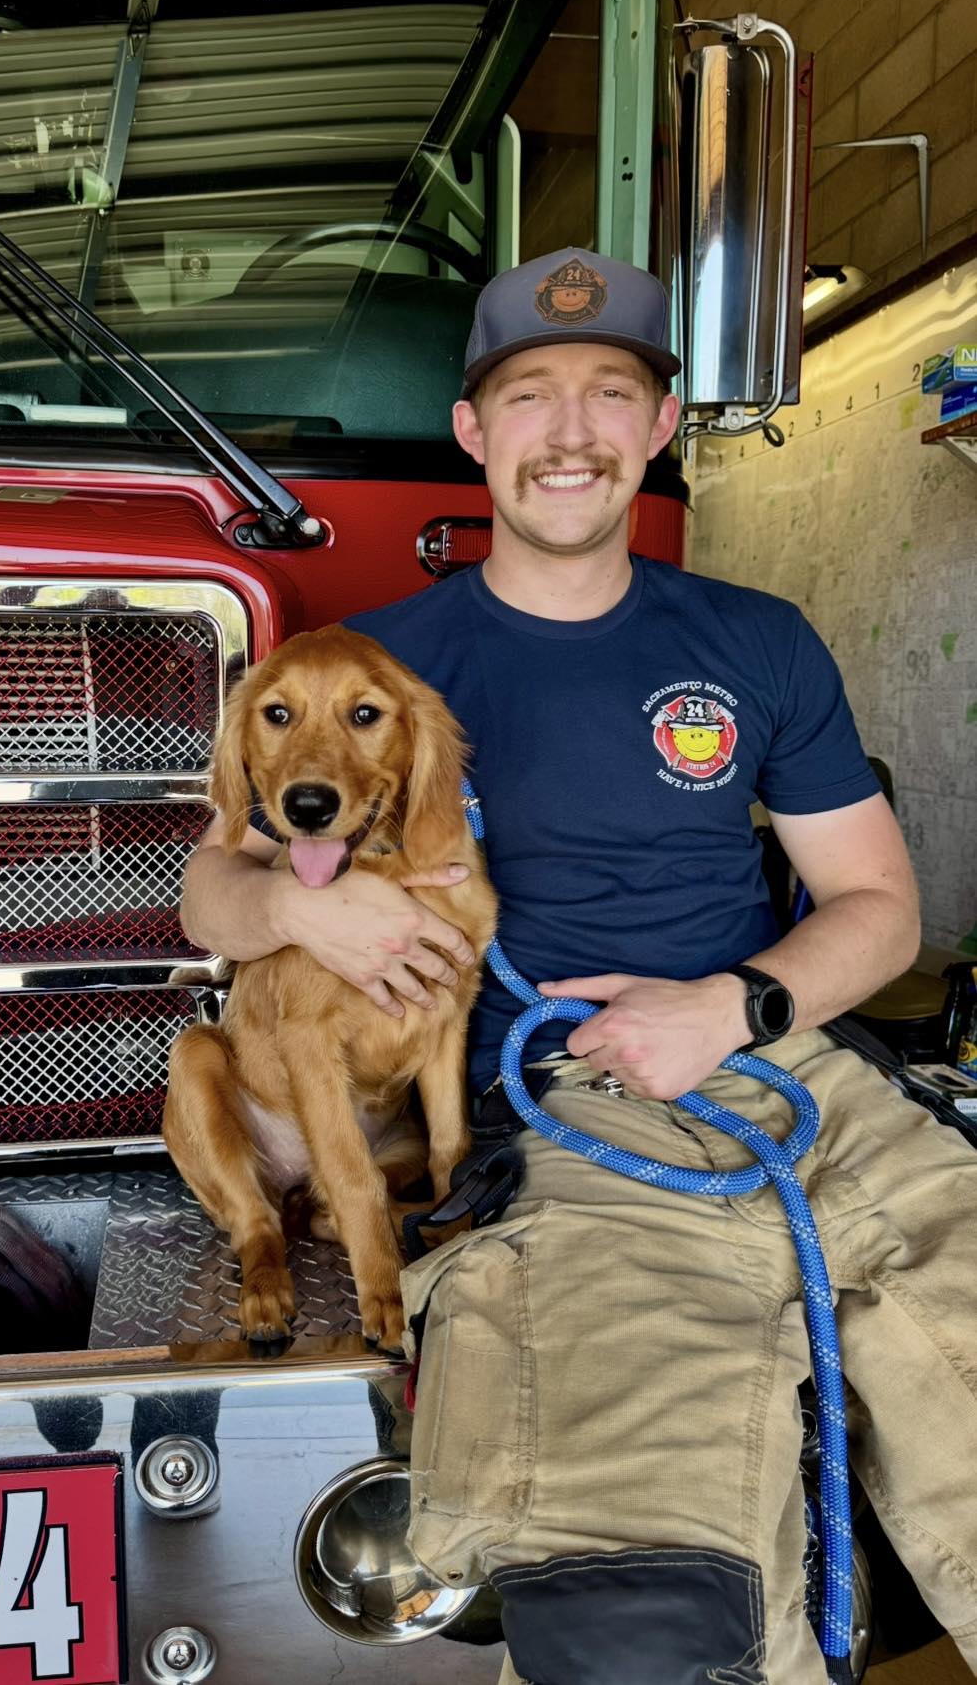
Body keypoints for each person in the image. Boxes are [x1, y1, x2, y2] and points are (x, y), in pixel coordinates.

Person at [178, 247, 977, 1684]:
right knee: (644, 1607)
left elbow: (875, 905)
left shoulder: (755, 639)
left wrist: (731, 1005)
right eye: (527, 395)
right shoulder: (372, 666)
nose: (569, 432)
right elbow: (208, 888)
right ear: (473, 433)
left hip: (791, 1076)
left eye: (610, 394)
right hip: (560, 1115)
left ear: (658, 429)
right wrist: (300, 913)